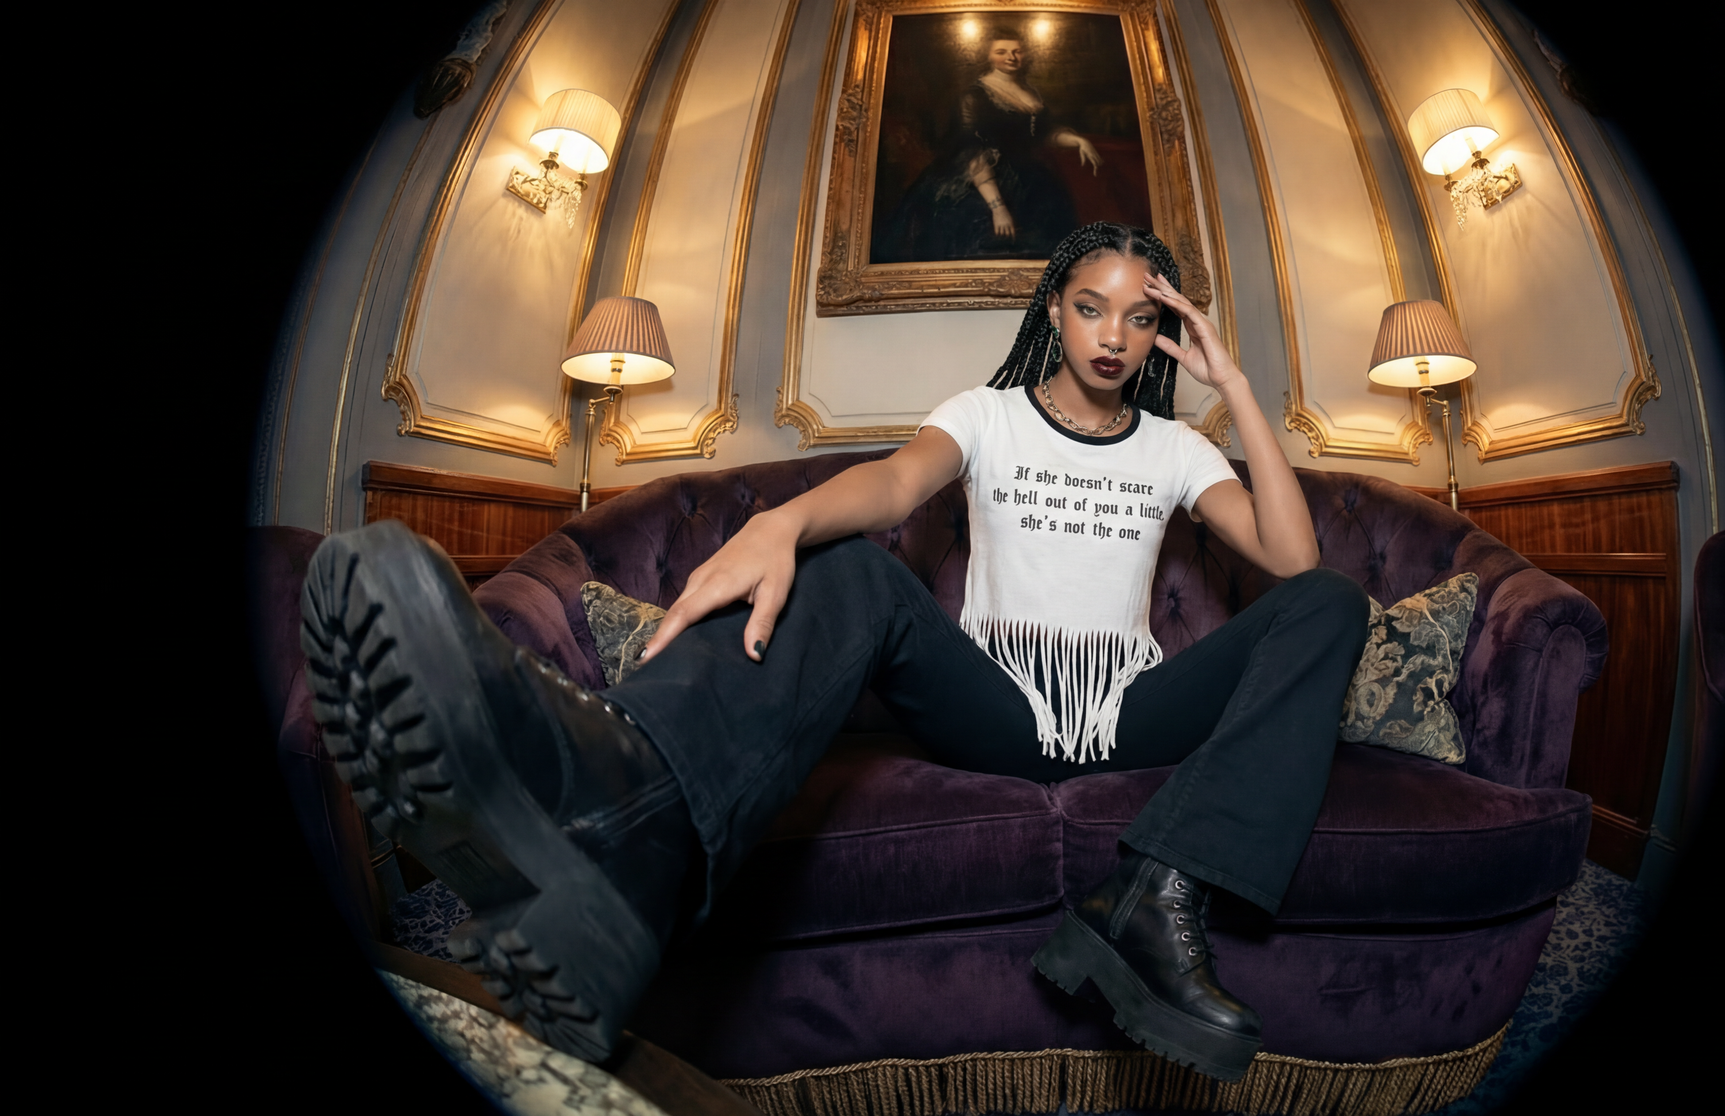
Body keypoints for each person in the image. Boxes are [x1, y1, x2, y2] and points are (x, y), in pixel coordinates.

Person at [302, 223, 1369, 1082]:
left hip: (1130, 721)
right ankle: (621, 820)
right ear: (1053, 309)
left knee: (1328, 604)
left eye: (1139, 320)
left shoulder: (1176, 448)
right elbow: (899, 488)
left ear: (1156, 337)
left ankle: (1151, 898)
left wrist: (1230, 391)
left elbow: (1291, 554)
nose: (1111, 336)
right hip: (994, 709)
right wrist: (784, 523)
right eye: (1090, 307)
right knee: (858, 568)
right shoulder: (987, 417)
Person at [874, 29, 1103, 262]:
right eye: (1001, 51)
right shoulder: (975, 97)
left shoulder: (1030, 92)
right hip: (980, 179)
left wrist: (1077, 140)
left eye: (1017, 51)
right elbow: (972, 152)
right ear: (988, 56)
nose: (1011, 57)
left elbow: (1042, 134)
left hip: (1030, 179)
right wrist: (997, 207)